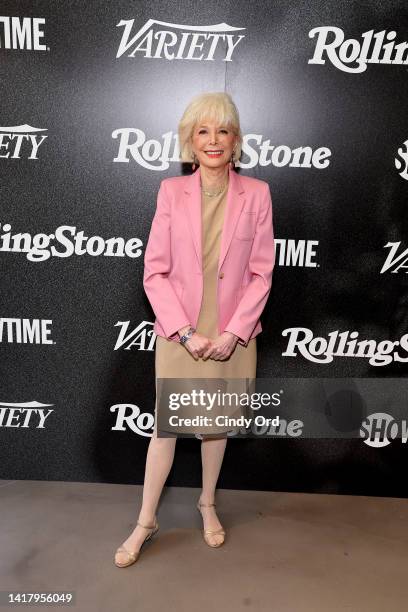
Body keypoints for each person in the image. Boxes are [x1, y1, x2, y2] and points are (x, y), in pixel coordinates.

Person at [114, 91, 275, 567]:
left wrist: (235, 332)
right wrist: (184, 331)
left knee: (215, 427)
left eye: (222, 131)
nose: (213, 140)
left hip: (231, 334)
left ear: (236, 141)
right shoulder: (170, 192)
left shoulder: (258, 194)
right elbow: (155, 272)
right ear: (190, 140)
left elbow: (262, 272)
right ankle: (146, 520)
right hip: (180, 330)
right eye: (203, 131)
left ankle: (207, 502)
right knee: (166, 428)